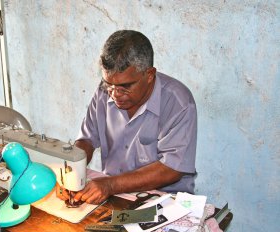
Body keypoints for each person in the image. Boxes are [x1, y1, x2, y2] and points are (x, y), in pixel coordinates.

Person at [58, 30, 197, 205]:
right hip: (114, 194)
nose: (115, 94)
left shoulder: (178, 102)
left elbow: (172, 168)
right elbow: (86, 140)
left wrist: (110, 185)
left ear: (149, 75)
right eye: (109, 84)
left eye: (125, 86)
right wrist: (72, 172)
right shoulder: (103, 92)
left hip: (163, 200)